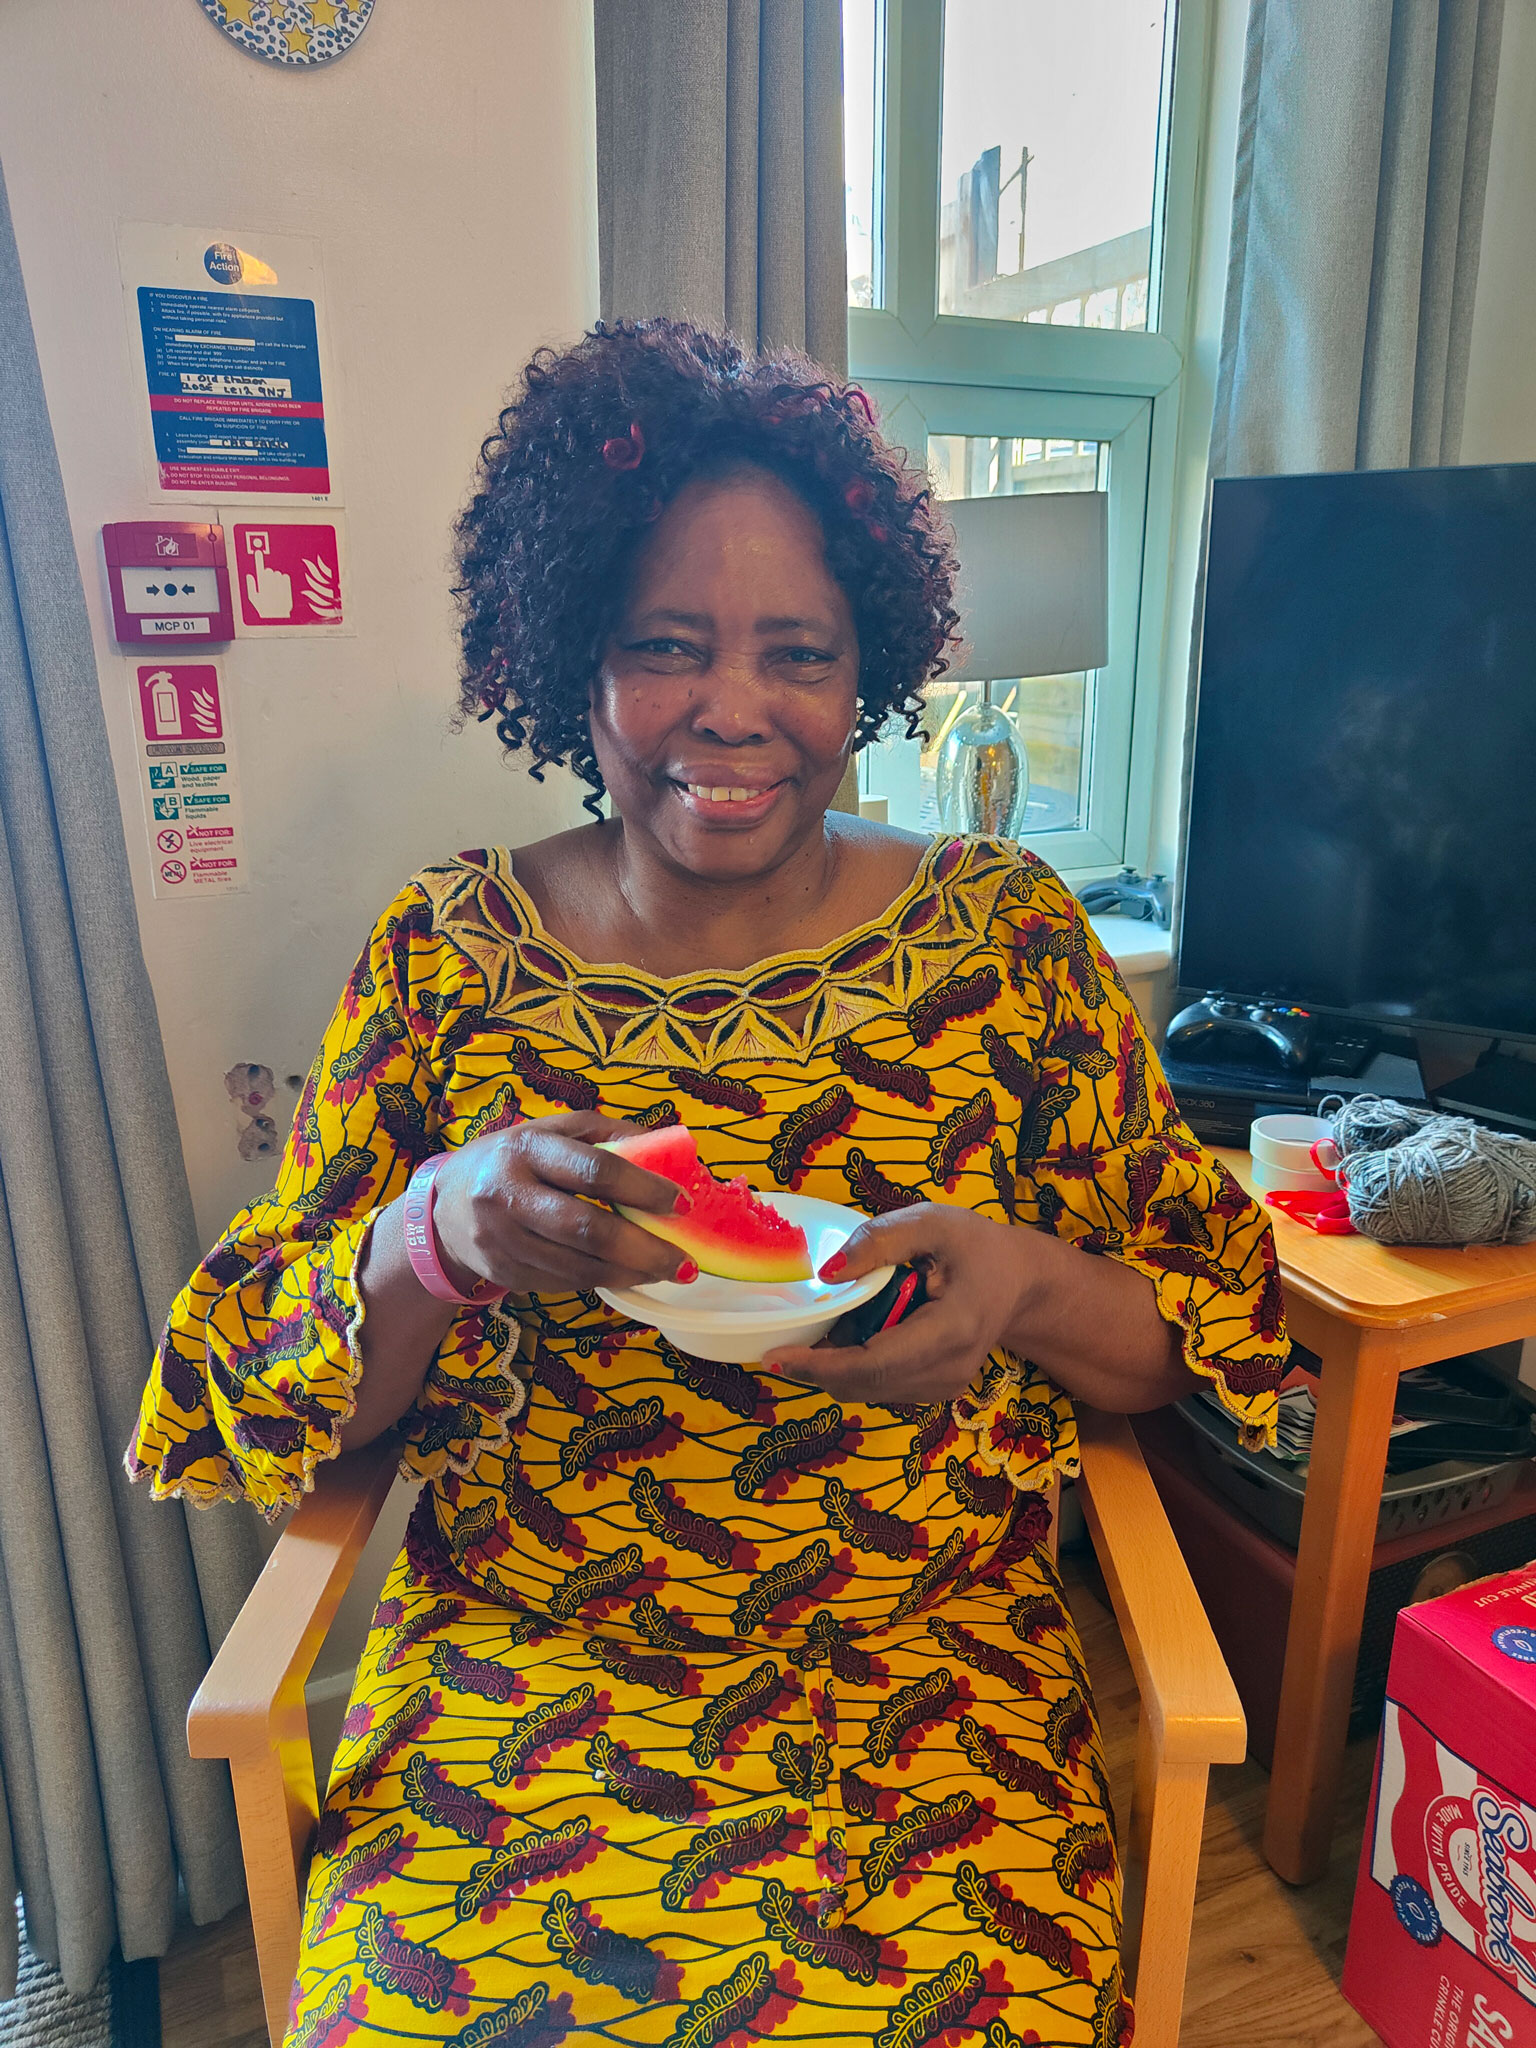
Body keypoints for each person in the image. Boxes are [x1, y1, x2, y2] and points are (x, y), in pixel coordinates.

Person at [129, 319, 1286, 2048]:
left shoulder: (1011, 943)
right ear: (572, 657)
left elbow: (1198, 1331)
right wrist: (434, 1234)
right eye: (665, 645)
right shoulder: (446, 956)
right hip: (525, 1668)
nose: (733, 710)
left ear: (867, 671)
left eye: (797, 654)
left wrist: (1024, 1284)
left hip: (926, 1671)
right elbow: (286, 1390)